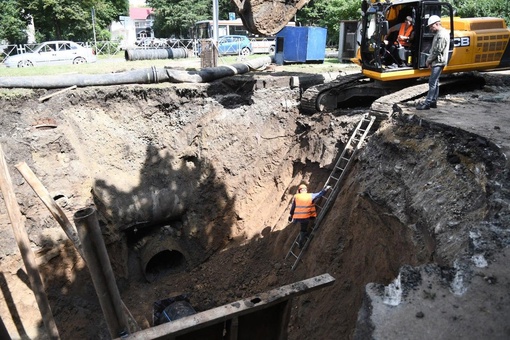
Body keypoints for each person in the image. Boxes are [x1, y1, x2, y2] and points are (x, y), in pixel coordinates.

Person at [417, 15, 450, 110]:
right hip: (437, 61)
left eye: (432, 26)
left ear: (437, 23)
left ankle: (427, 103)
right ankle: (433, 102)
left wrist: (429, 60)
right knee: (435, 82)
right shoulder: (439, 33)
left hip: (438, 62)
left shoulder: (441, 35)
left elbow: (437, 50)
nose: (431, 28)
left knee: (432, 82)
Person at [288, 183, 331, 248]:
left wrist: (291, 216)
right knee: (304, 228)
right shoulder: (310, 195)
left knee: (303, 225)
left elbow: (293, 208)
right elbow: (320, 194)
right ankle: (301, 241)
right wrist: (326, 188)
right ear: (306, 190)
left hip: (298, 217)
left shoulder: (296, 197)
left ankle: (304, 233)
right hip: (305, 217)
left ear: (299, 191)